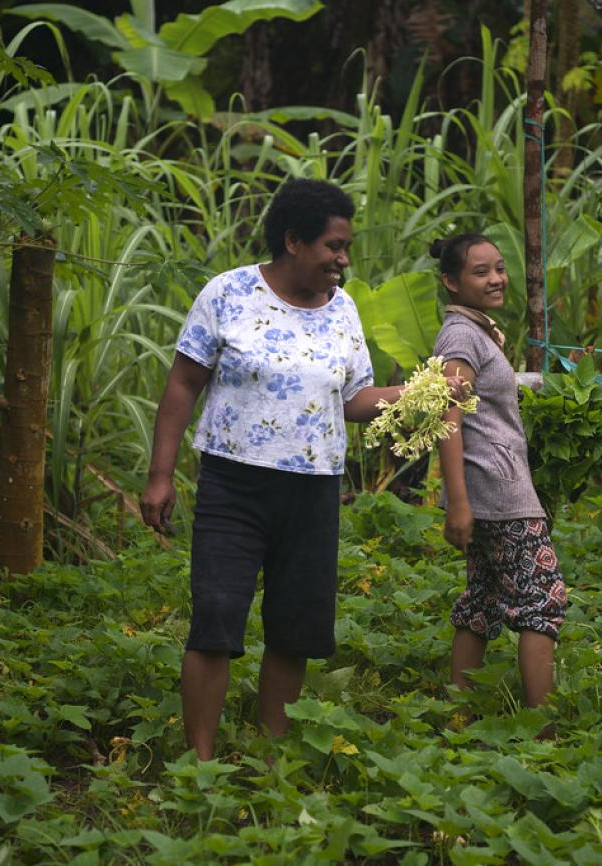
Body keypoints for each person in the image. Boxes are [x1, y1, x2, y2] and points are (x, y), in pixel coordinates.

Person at [140, 178, 406, 760]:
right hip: (234, 484)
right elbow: (184, 384)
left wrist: (417, 394)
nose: (343, 260)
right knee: (216, 619)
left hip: (313, 492)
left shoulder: (344, 311)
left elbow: (355, 399)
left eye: (345, 247)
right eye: (333, 246)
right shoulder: (229, 294)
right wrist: (161, 475)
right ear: (292, 240)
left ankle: (272, 755)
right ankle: (201, 763)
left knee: (295, 626)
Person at [431, 233, 568, 712]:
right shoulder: (463, 336)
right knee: (542, 600)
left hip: (492, 486)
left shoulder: (473, 331)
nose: (496, 279)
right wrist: (460, 503)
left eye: (499, 268)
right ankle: (543, 731)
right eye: (480, 272)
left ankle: (457, 721)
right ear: (451, 282)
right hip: (498, 491)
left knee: (483, 601)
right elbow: (448, 415)